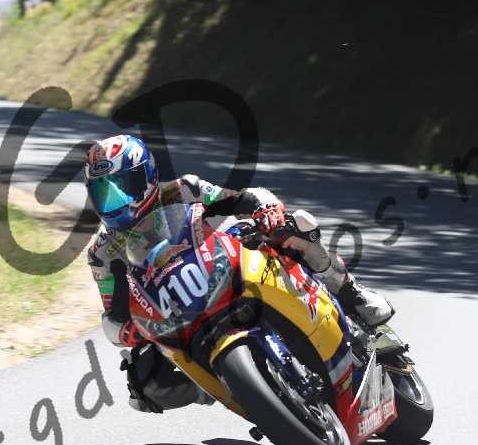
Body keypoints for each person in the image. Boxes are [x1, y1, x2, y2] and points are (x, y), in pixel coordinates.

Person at [84, 134, 394, 413]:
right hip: (176, 313)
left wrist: (265, 209)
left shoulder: (183, 190)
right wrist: (128, 331)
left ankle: (352, 294)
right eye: (103, 192)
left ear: (146, 177)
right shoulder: (103, 252)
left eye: (121, 188)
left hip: (222, 265)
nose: (114, 200)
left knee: (292, 229)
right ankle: (230, 388)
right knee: (144, 383)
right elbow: (114, 312)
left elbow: (240, 199)